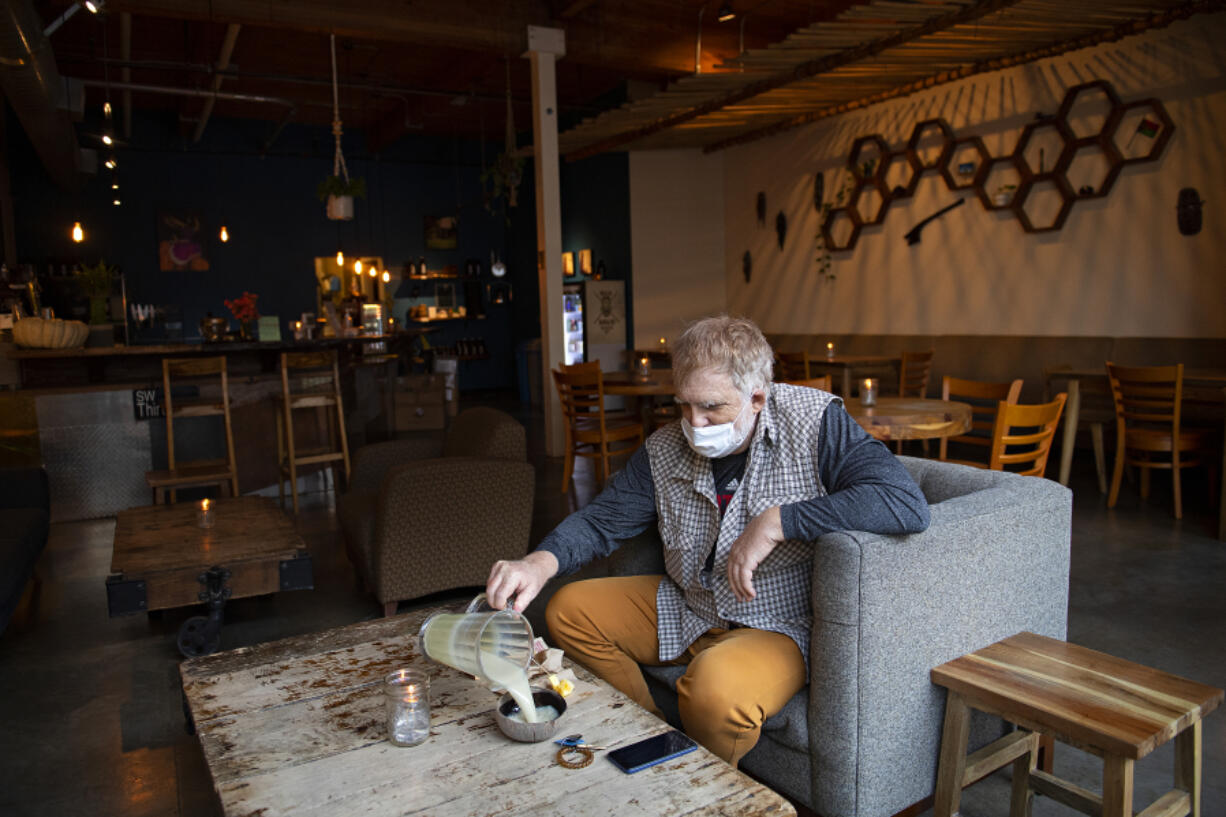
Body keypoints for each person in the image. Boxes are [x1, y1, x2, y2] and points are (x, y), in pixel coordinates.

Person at [486, 315, 929, 767]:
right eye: (684, 406)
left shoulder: (815, 422)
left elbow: (903, 503)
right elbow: (604, 520)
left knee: (714, 690)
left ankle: (702, 782)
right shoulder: (665, 447)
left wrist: (778, 521)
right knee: (567, 610)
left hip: (778, 622)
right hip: (692, 602)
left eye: (712, 408)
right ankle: (656, 740)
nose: (694, 424)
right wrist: (539, 561)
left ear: (756, 397)